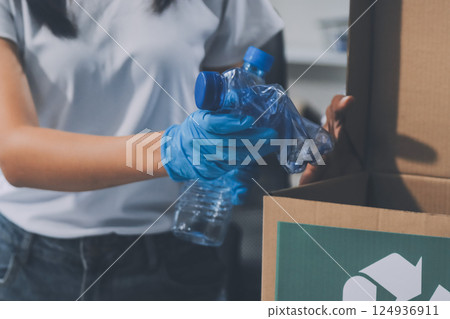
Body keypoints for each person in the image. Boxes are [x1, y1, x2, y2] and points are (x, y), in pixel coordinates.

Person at [0, 0, 353, 300]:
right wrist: (169, 150)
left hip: (175, 250)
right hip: (34, 261)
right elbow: (15, 154)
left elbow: (235, 99)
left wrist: (269, 153)